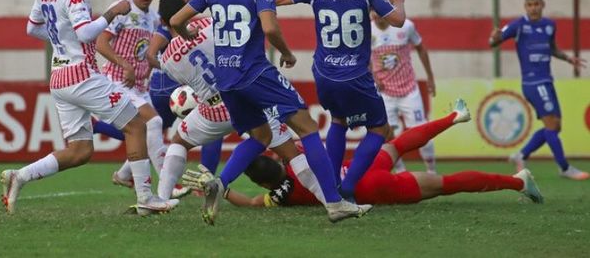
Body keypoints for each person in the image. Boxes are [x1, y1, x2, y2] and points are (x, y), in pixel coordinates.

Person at [170, 0, 369, 224]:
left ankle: (220, 183)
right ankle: (335, 203)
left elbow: (175, 20)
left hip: (226, 80)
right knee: (307, 127)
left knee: (261, 135)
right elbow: (270, 28)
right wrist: (287, 54)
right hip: (254, 72)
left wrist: (187, 34)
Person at [0, 0, 177, 215]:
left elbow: (31, 28)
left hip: (58, 78)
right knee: (137, 125)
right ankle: (146, 198)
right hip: (82, 75)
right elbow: (86, 33)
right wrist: (112, 13)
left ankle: (19, 176)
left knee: (80, 151)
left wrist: (63, 40)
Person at [188, 99, 543, 208]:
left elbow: (251, 204)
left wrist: (217, 186)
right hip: (357, 169)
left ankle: (516, 182)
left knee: (446, 184)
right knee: (398, 142)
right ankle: (455, 116)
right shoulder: (296, 154)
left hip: (369, 190)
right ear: (275, 158)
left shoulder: (282, 196)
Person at [154, 0, 327, 206]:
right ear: (186, 10)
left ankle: (161, 199)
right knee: (291, 153)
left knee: (179, 142)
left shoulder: (167, 60)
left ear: (162, 21)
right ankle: (330, 202)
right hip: (245, 97)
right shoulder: (211, 24)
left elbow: (187, 81)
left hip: (212, 110)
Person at [276, 0, 406, 201]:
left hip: (324, 73)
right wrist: (398, 0)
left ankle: (332, 185)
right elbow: (398, 20)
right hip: (356, 74)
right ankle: (347, 188)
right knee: (379, 129)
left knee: (339, 119)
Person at [489, 0, 588, 180]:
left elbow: (551, 49)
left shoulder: (550, 25)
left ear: (542, 4)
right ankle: (564, 167)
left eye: (536, 4)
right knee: (551, 125)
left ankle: (521, 154)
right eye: (530, 5)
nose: (533, 8)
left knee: (556, 126)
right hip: (533, 82)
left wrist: (568, 58)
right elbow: (494, 41)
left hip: (547, 80)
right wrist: (494, 38)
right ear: (525, 6)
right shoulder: (518, 25)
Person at [145, 0, 223, 175]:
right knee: (214, 126)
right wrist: (167, 69)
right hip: (171, 87)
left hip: (186, 87)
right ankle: (205, 179)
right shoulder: (169, 23)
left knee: (152, 130)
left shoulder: (195, 21)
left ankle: (129, 173)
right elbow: (151, 54)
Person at [96, 0, 169, 184]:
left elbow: (148, 50)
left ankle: (123, 175)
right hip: (117, 80)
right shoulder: (122, 10)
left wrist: (149, 68)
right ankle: (168, 182)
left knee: (149, 132)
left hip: (139, 86)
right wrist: (125, 64)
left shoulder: (153, 17)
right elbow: (100, 43)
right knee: (154, 122)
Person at [371, 12, 437, 173]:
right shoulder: (367, 31)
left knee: (422, 134)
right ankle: (401, 172)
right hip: (385, 94)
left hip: (409, 91)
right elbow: (363, 59)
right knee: (387, 135)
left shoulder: (406, 26)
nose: (376, 15)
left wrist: (430, 77)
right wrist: (373, 78)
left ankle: (432, 171)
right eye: (373, 11)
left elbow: (421, 48)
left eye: (380, 11)